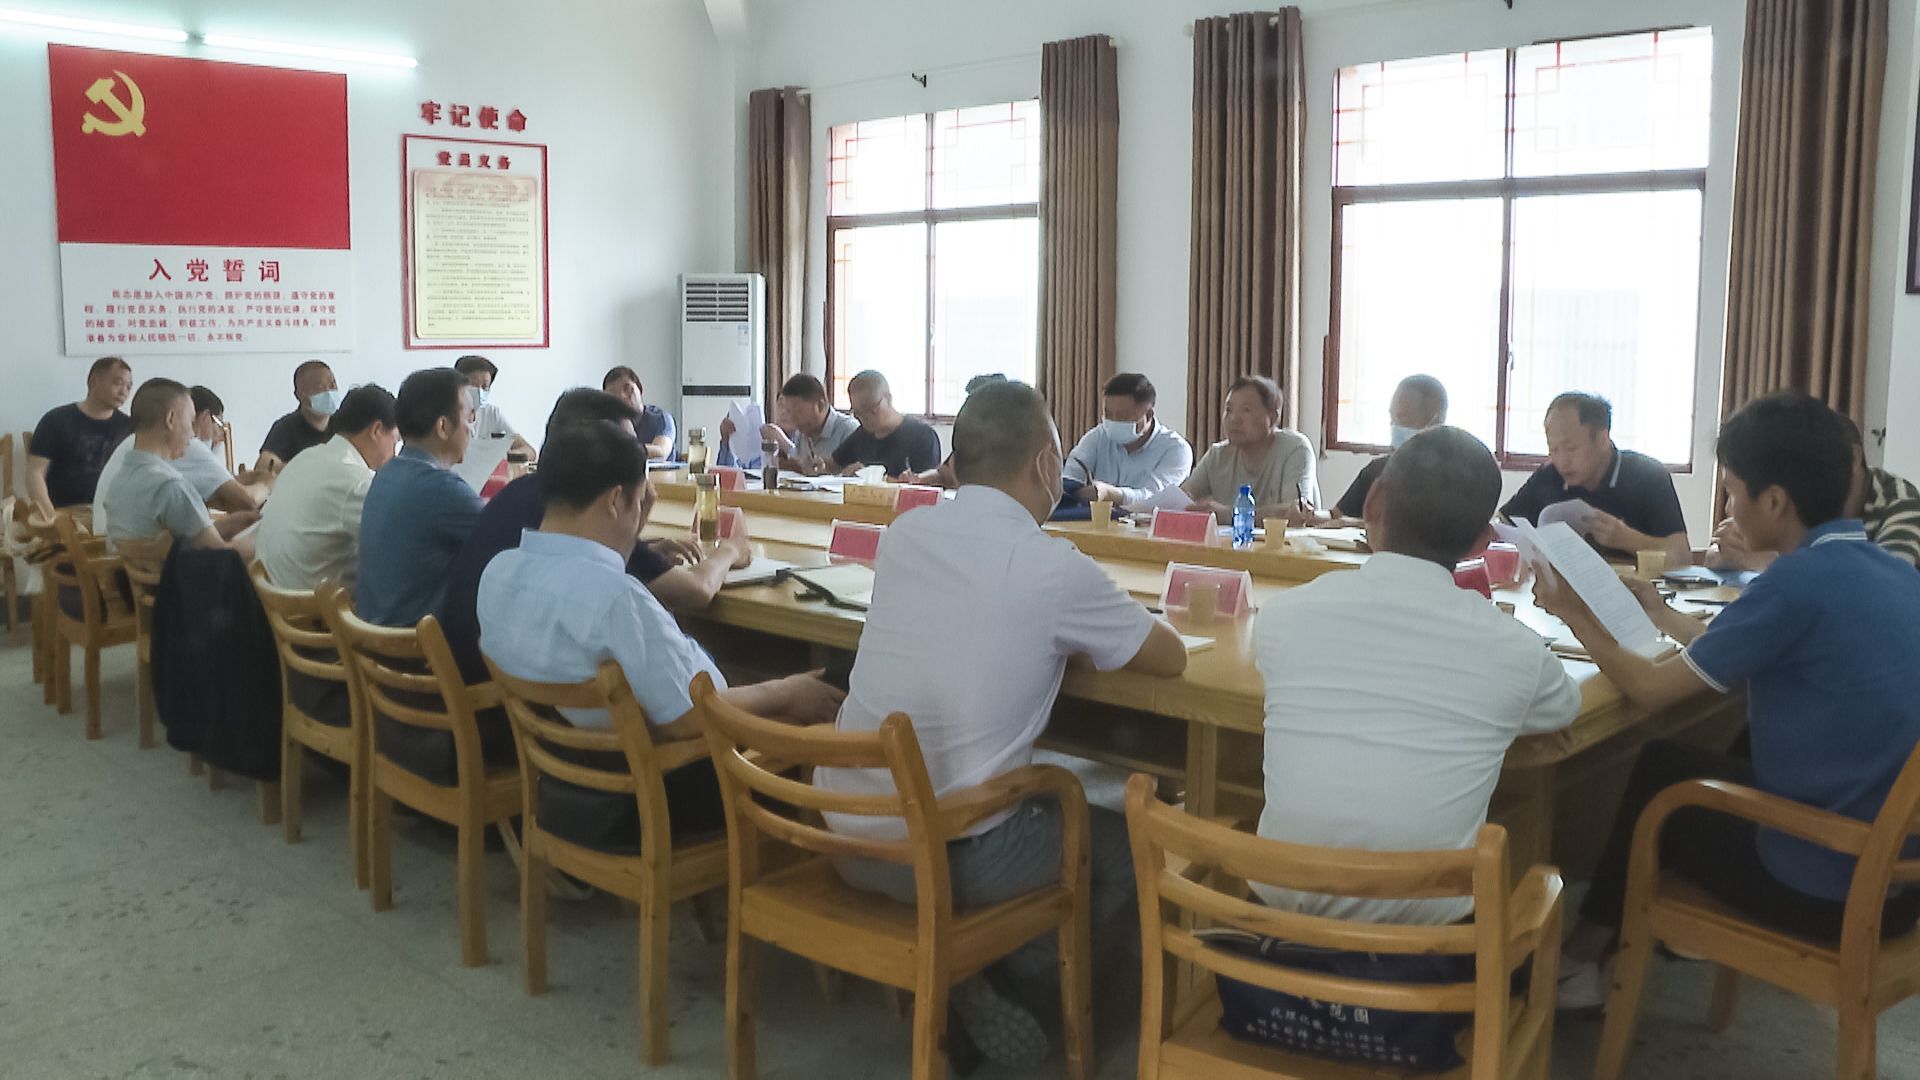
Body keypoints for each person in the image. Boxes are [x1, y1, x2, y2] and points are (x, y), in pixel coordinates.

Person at [816, 380, 1188, 1065]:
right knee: (1136, 848)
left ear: (956, 462)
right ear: (1047, 463)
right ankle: (1032, 993)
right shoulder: (1050, 567)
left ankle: (979, 968)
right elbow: (1168, 658)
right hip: (943, 856)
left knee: (1055, 803)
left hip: (843, 829)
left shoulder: (906, 533)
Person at [1536, 392, 1920, 1009]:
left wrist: (1575, 614)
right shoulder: (1890, 571)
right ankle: (1592, 954)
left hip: (1833, 886)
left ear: (1775, 502)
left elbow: (1651, 690)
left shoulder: (1794, 583)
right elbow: (1749, 642)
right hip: (1898, 879)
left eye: (1733, 492)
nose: (1729, 508)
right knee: (1696, 755)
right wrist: (1660, 613)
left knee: (1663, 774)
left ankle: (1580, 963)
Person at [1252, 426, 1579, 924]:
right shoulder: (1516, 651)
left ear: (1373, 503)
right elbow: (1564, 710)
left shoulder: (1282, 617)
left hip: (1269, 941)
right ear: (1482, 543)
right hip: (1429, 954)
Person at [477, 420, 844, 851]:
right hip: (654, 792)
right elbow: (688, 718)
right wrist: (786, 691)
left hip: (567, 786)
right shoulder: (616, 598)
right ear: (616, 500)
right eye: (640, 501)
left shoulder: (498, 572)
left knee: (792, 688)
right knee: (822, 706)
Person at [440, 388, 753, 685]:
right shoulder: (584, 515)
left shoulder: (526, 493)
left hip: (492, 691)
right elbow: (695, 592)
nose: (636, 458)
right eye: (627, 447)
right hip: (496, 702)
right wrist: (730, 550)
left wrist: (641, 543)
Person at [1501, 392, 1689, 566]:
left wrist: (1627, 539)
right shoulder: (1548, 475)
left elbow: (1682, 556)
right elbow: (1502, 526)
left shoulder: (1647, 475)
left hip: (1634, 588)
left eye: (1571, 448)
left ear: (1602, 439)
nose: (1562, 461)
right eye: (1553, 449)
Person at [1715, 414, 1920, 572]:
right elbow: (1719, 556)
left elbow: (1887, 585)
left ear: (1853, 458)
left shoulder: (1900, 502)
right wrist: (1730, 551)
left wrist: (1765, 561)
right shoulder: (1811, 496)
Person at [356, 368, 481, 627]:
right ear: (443, 427)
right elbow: (509, 537)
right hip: (417, 646)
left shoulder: (386, 473)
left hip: (372, 639)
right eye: (469, 417)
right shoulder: (441, 488)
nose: (472, 429)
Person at [254, 385, 399, 591]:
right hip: (318, 607)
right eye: (395, 440)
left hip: (275, 601)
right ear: (376, 431)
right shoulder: (355, 480)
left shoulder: (304, 458)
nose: (395, 453)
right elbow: (402, 543)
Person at [100, 379, 257, 556]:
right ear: (171, 419)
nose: (192, 434)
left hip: (131, 572)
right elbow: (221, 554)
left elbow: (176, 539)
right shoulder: (169, 486)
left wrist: (225, 525)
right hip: (175, 574)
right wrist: (263, 543)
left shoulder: (120, 480)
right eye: (190, 422)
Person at [1181, 375, 1319, 525]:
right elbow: (1182, 497)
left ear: (1273, 417)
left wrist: (1231, 514)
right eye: (1229, 410)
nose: (1234, 419)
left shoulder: (1295, 449)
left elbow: (1298, 513)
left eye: (1246, 410)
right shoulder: (1217, 456)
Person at [1316, 374, 1448, 528]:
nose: (1394, 426)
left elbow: (1422, 532)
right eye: (1392, 418)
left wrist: (1357, 524)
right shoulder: (1377, 470)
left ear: (1435, 421)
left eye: (1402, 418)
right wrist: (1311, 515)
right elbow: (1335, 516)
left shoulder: (1455, 476)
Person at [1060, 373, 1193, 509]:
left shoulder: (1176, 449)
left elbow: (1155, 498)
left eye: (1122, 416)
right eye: (1108, 415)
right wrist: (1075, 487)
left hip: (1147, 522)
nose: (1113, 422)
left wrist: (1111, 494)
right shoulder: (1098, 436)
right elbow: (1070, 477)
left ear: (1148, 415)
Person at [26, 356, 133, 518]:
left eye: (129, 386)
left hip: (111, 515)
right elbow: (35, 473)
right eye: (117, 383)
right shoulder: (56, 420)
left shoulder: (129, 427)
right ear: (94, 381)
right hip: (65, 514)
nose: (123, 392)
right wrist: (51, 516)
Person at [718, 373, 860, 475]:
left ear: (820, 406)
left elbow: (858, 480)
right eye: (789, 412)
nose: (793, 419)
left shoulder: (850, 431)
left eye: (798, 412)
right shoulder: (802, 433)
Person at [831, 369, 942, 480]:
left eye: (872, 410)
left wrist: (872, 477)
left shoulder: (922, 436)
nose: (865, 418)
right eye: (858, 413)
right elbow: (834, 464)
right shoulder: (862, 434)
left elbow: (925, 485)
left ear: (888, 399)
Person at [255, 360, 341, 474]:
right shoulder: (286, 427)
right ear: (300, 395)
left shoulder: (345, 422)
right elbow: (264, 466)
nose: (329, 392)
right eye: (320, 387)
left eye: (333, 385)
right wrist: (305, 468)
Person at [455, 354, 536, 462]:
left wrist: (503, 457)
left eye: (485, 387)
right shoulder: (446, 415)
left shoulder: (492, 413)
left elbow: (529, 451)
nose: (479, 392)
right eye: (474, 385)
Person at [602, 365, 676, 460]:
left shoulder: (661, 418)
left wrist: (626, 449)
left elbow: (661, 452)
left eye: (628, 389)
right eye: (613, 395)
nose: (622, 397)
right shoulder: (608, 424)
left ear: (640, 389)